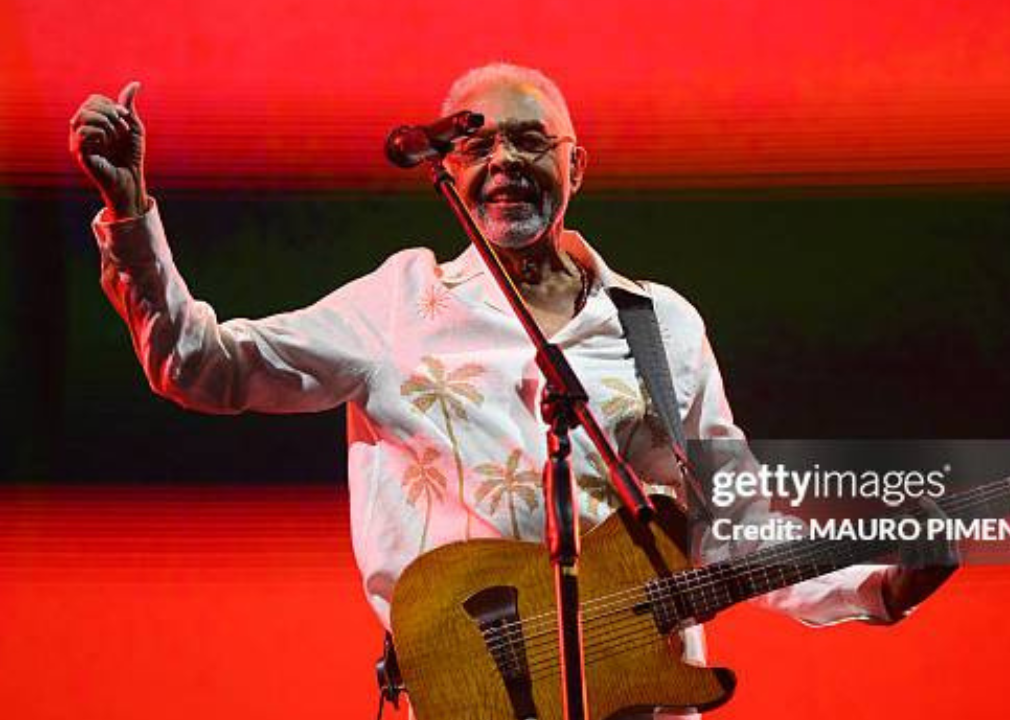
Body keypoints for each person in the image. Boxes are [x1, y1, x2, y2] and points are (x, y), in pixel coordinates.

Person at [69, 63, 953, 717]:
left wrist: (882, 585)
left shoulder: (661, 325)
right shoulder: (400, 304)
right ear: (447, 171)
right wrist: (130, 215)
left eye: (530, 140)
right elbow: (202, 365)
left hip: (639, 699)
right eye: (476, 141)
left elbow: (735, 522)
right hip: (474, 699)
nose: (502, 159)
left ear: (578, 166)